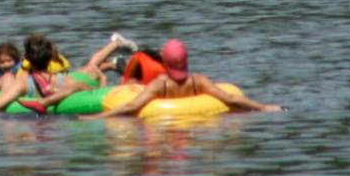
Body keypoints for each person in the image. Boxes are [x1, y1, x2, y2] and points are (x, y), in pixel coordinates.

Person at [82, 39, 282, 119]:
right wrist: (264, 107)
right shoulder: (198, 81)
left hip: (161, 122)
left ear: (165, 62)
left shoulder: (160, 85)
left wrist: (95, 117)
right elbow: (230, 98)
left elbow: (131, 107)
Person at [0, 34, 104, 114]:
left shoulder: (23, 82)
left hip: (33, 127)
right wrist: (103, 79)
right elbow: (93, 95)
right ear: (50, 58)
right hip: (58, 129)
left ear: (27, 59)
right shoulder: (66, 80)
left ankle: (46, 101)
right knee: (77, 86)